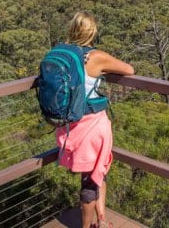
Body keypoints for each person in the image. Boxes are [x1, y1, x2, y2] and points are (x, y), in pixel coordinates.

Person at [55, 11, 134, 228]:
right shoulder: (95, 57)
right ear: (92, 32)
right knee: (91, 183)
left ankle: (101, 219)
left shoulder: (60, 52)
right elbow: (129, 69)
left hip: (69, 125)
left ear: (72, 29)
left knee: (98, 171)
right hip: (92, 128)